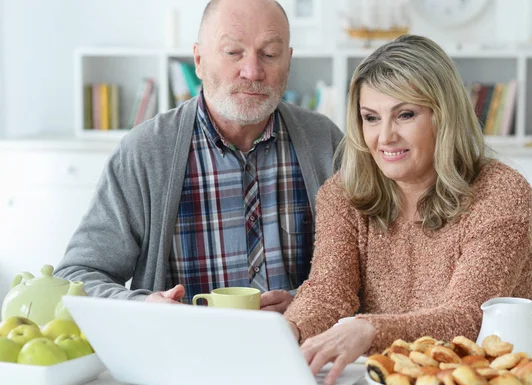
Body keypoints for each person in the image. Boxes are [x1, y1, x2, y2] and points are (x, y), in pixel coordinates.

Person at [284, 34, 532, 385]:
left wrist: (367, 329)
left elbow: (469, 316)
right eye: (371, 118)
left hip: (508, 379)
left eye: (405, 115)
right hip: (404, 381)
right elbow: (328, 291)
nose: (384, 137)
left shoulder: (500, 191)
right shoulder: (342, 194)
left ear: (443, 117)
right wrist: (287, 332)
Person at [54, 0, 343, 313]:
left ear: (288, 61)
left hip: (303, 354)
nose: (252, 71)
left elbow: (368, 268)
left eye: (269, 54)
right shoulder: (144, 152)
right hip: (180, 355)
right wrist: (144, 305)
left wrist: (309, 304)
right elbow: (76, 277)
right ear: (199, 60)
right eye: (233, 52)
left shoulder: (325, 142)